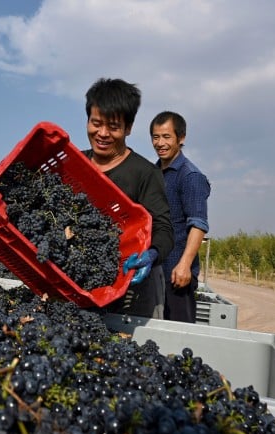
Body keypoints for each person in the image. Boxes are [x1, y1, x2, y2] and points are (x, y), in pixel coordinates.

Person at [82, 78, 174, 318]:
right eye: (96, 123)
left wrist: (152, 253)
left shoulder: (145, 173)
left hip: (128, 290)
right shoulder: (74, 163)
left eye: (113, 126)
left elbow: (164, 228)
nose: (102, 133)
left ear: (129, 128)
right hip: (78, 285)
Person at [150, 111, 211, 323]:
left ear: (181, 138)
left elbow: (198, 224)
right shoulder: (153, 172)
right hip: (154, 271)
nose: (160, 143)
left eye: (166, 137)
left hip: (177, 273)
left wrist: (185, 264)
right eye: (156, 137)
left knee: (180, 336)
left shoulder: (190, 176)